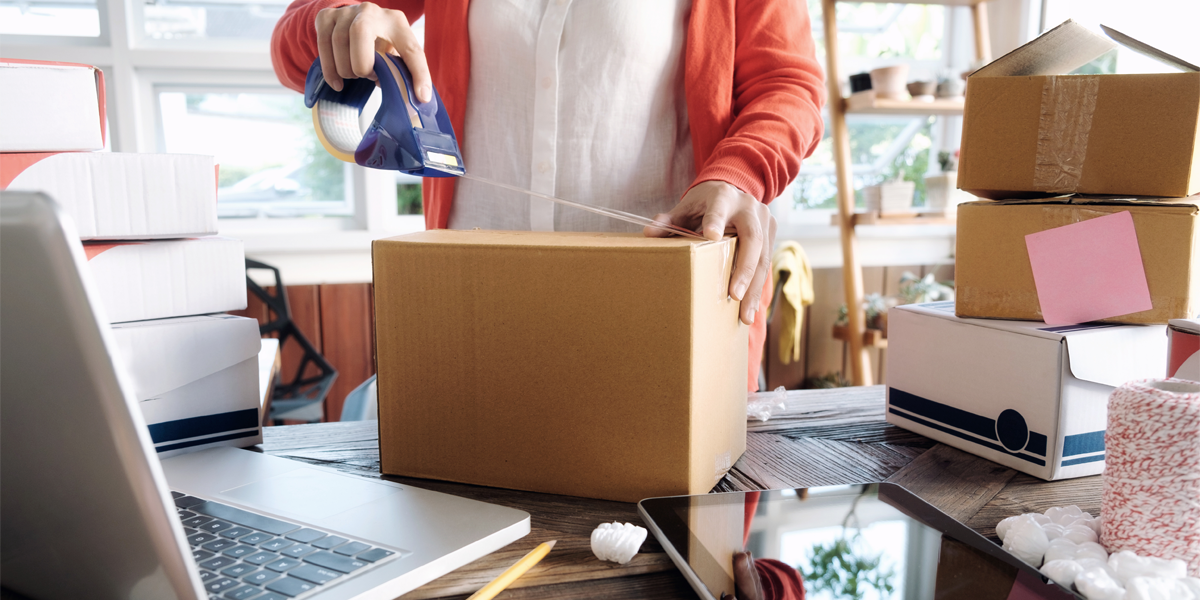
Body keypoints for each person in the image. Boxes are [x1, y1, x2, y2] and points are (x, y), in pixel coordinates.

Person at [270, 1, 824, 391]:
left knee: (678, 552)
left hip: (668, 329)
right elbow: (293, 49)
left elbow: (790, 84)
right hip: (473, 322)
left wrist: (738, 172)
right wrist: (341, 21)